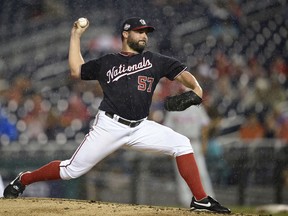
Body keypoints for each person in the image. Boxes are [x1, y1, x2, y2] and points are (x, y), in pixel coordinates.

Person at [3, 17, 230, 213]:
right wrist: (75, 36)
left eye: (146, 33)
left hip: (141, 127)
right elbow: (76, 70)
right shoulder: (108, 62)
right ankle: (24, 179)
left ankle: (200, 200)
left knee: (182, 144)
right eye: (139, 32)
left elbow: (183, 75)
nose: (144, 36)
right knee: (71, 170)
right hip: (109, 126)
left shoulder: (155, 60)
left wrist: (197, 89)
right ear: (125, 34)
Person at [163, 101, 215, 207]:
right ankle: (186, 202)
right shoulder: (174, 107)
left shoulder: (197, 106)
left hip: (194, 142)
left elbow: (205, 124)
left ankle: (209, 199)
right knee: (182, 175)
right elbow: (168, 129)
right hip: (179, 144)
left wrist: (204, 143)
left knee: (201, 173)